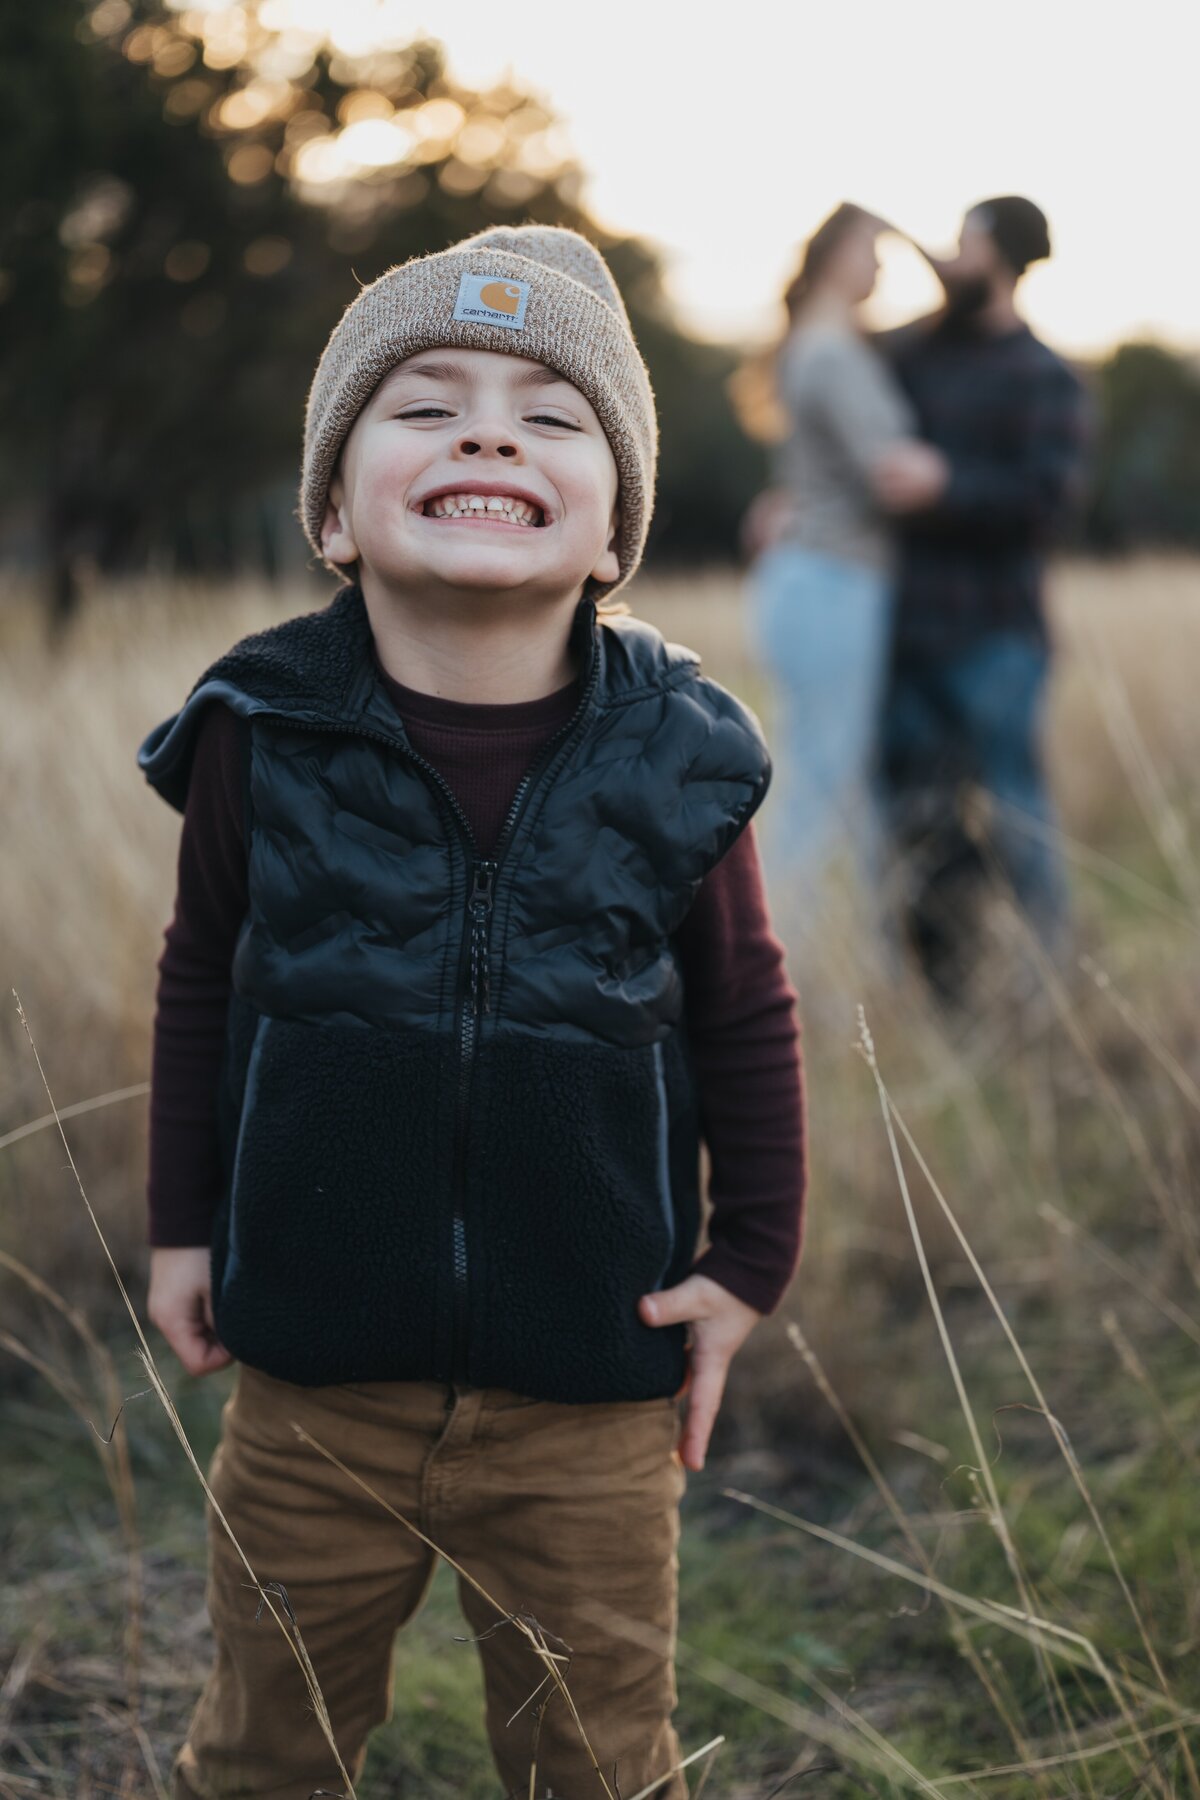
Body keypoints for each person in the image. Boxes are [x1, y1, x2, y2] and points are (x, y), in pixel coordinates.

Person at [138, 227, 807, 1800]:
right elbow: (198, 974)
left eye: (549, 416)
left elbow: (746, 1009)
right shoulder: (260, 728)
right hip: (310, 1385)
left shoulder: (684, 752)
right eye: (425, 405)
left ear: (612, 529)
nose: (490, 432)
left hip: (589, 1395)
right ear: (333, 505)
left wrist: (750, 1261)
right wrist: (183, 1225)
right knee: (263, 1752)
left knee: (596, 1760)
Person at [877, 197, 1090, 1004]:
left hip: (998, 638)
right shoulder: (916, 358)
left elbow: (1047, 506)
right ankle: (947, 994)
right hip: (907, 634)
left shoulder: (1048, 377)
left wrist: (946, 484)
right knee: (921, 822)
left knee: (1016, 813)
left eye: (964, 244)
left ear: (1001, 258)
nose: (948, 257)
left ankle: (1051, 985)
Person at [738, 203, 947, 914]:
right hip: (830, 581)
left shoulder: (828, 342)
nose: (883, 267)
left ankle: (832, 965)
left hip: (820, 576)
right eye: (873, 251)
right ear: (836, 255)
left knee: (826, 779)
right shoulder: (829, 351)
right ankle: (785, 959)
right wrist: (962, 473)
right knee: (822, 785)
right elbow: (890, 472)